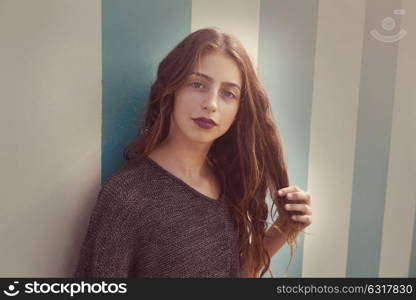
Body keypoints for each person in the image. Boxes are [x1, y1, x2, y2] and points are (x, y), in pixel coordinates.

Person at [73, 27, 312, 278]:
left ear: (239, 109)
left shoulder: (225, 181)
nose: (211, 104)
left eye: (228, 93)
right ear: (172, 89)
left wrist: (284, 228)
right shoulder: (128, 196)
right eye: (198, 84)